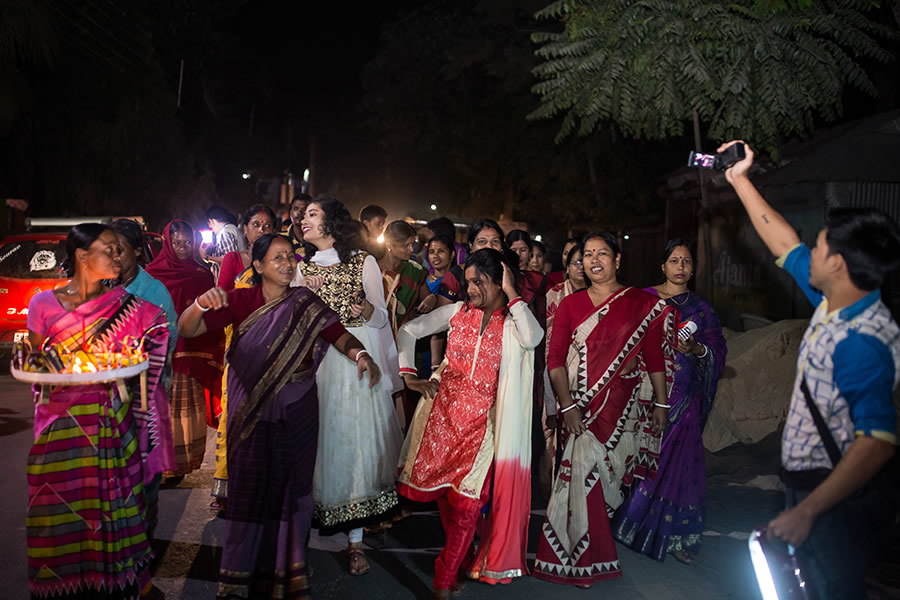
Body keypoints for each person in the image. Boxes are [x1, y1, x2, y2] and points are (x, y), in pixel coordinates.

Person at [721, 140, 900, 599]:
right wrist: (740, 179)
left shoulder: (862, 341)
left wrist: (808, 511)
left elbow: (877, 443)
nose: (810, 251)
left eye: (819, 245)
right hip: (808, 488)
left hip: (835, 498)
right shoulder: (835, 298)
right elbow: (783, 242)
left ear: (838, 263)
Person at [177, 233, 382, 599]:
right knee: (250, 490)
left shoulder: (305, 301)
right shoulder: (240, 300)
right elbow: (188, 329)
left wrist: (361, 355)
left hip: (298, 408)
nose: (288, 263)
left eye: (291, 256)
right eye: (278, 258)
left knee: (293, 491)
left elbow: (337, 334)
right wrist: (200, 305)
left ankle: (288, 571)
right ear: (257, 266)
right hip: (251, 411)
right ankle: (241, 577)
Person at [25, 224, 171, 600]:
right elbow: (39, 369)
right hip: (60, 430)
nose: (117, 256)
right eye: (109, 250)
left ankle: (119, 585)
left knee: (117, 507)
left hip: (113, 426)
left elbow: (156, 341)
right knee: (58, 513)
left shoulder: (134, 308)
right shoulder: (43, 304)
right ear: (82, 257)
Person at [397, 249, 543, 598]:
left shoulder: (511, 322)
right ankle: (461, 561)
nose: (472, 289)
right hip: (441, 419)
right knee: (446, 499)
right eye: (468, 282)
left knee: (467, 506)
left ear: (500, 280)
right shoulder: (457, 312)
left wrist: (512, 293)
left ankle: (443, 580)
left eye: (479, 282)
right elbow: (408, 331)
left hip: (483, 427)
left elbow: (534, 338)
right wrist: (409, 376)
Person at [534, 231, 677, 587]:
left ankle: (590, 551)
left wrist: (661, 402)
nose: (594, 260)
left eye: (602, 253)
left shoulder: (640, 304)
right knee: (582, 476)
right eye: (587, 255)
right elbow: (554, 359)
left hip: (622, 406)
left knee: (607, 480)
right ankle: (585, 558)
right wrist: (566, 406)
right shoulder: (571, 304)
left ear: (617, 259)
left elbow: (654, 356)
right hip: (580, 406)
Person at [296, 197, 404, 575]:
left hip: (356, 365)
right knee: (319, 446)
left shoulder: (363, 261)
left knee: (354, 447)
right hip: (317, 366)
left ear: (330, 222)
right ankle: (302, 538)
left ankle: (355, 543)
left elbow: (379, 320)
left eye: (311, 214)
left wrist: (365, 310)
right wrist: (303, 294)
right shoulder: (301, 268)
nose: (303, 219)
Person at [612, 238, 727, 564]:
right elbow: (621, 341)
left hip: (683, 401)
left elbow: (718, 349)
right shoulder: (642, 299)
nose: (681, 267)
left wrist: (697, 350)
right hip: (642, 395)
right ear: (662, 266)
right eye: (674, 261)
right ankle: (623, 521)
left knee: (681, 467)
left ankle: (676, 537)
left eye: (687, 261)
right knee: (633, 458)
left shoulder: (701, 310)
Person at [110, 219, 179, 533]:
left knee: (146, 474)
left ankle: (144, 540)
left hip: (144, 399)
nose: (111, 257)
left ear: (137, 251)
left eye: (119, 250)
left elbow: (169, 339)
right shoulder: (94, 287)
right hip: (103, 402)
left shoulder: (154, 292)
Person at [147, 220, 224, 480]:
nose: (182, 247)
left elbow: (209, 314)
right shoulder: (151, 274)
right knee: (158, 410)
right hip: (158, 353)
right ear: (167, 243)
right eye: (177, 242)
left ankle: (176, 467)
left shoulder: (201, 274)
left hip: (188, 351)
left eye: (187, 242)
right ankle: (159, 465)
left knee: (182, 411)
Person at [539, 241, 586, 495]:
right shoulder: (554, 295)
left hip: (589, 380)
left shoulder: (602, 297)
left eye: (585, 260)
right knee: (553, 441)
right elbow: (548, 348)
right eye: (576, 261)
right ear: (566, 267)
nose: (581, 266)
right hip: (555, 378)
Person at [218, 204, 277, 291]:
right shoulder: (232, 259)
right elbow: (222, 295)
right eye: (256, 224)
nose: (261, 230)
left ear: (273, 231)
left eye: (268, 226)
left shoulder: (279, 261)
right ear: (245, 229)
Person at [201, 205, 246, 279]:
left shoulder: (225, 232)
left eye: (209, 224)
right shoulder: (232, 229)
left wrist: (206, 257)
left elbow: (230, 260)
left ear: (211, 221)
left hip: (233, 282)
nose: (210, 228)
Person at [285, 193, 311, 260]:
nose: (299, 212)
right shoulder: (280, 238)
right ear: (291, 212)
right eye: (296, 208)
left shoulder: (318, 239)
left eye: (304, 209)